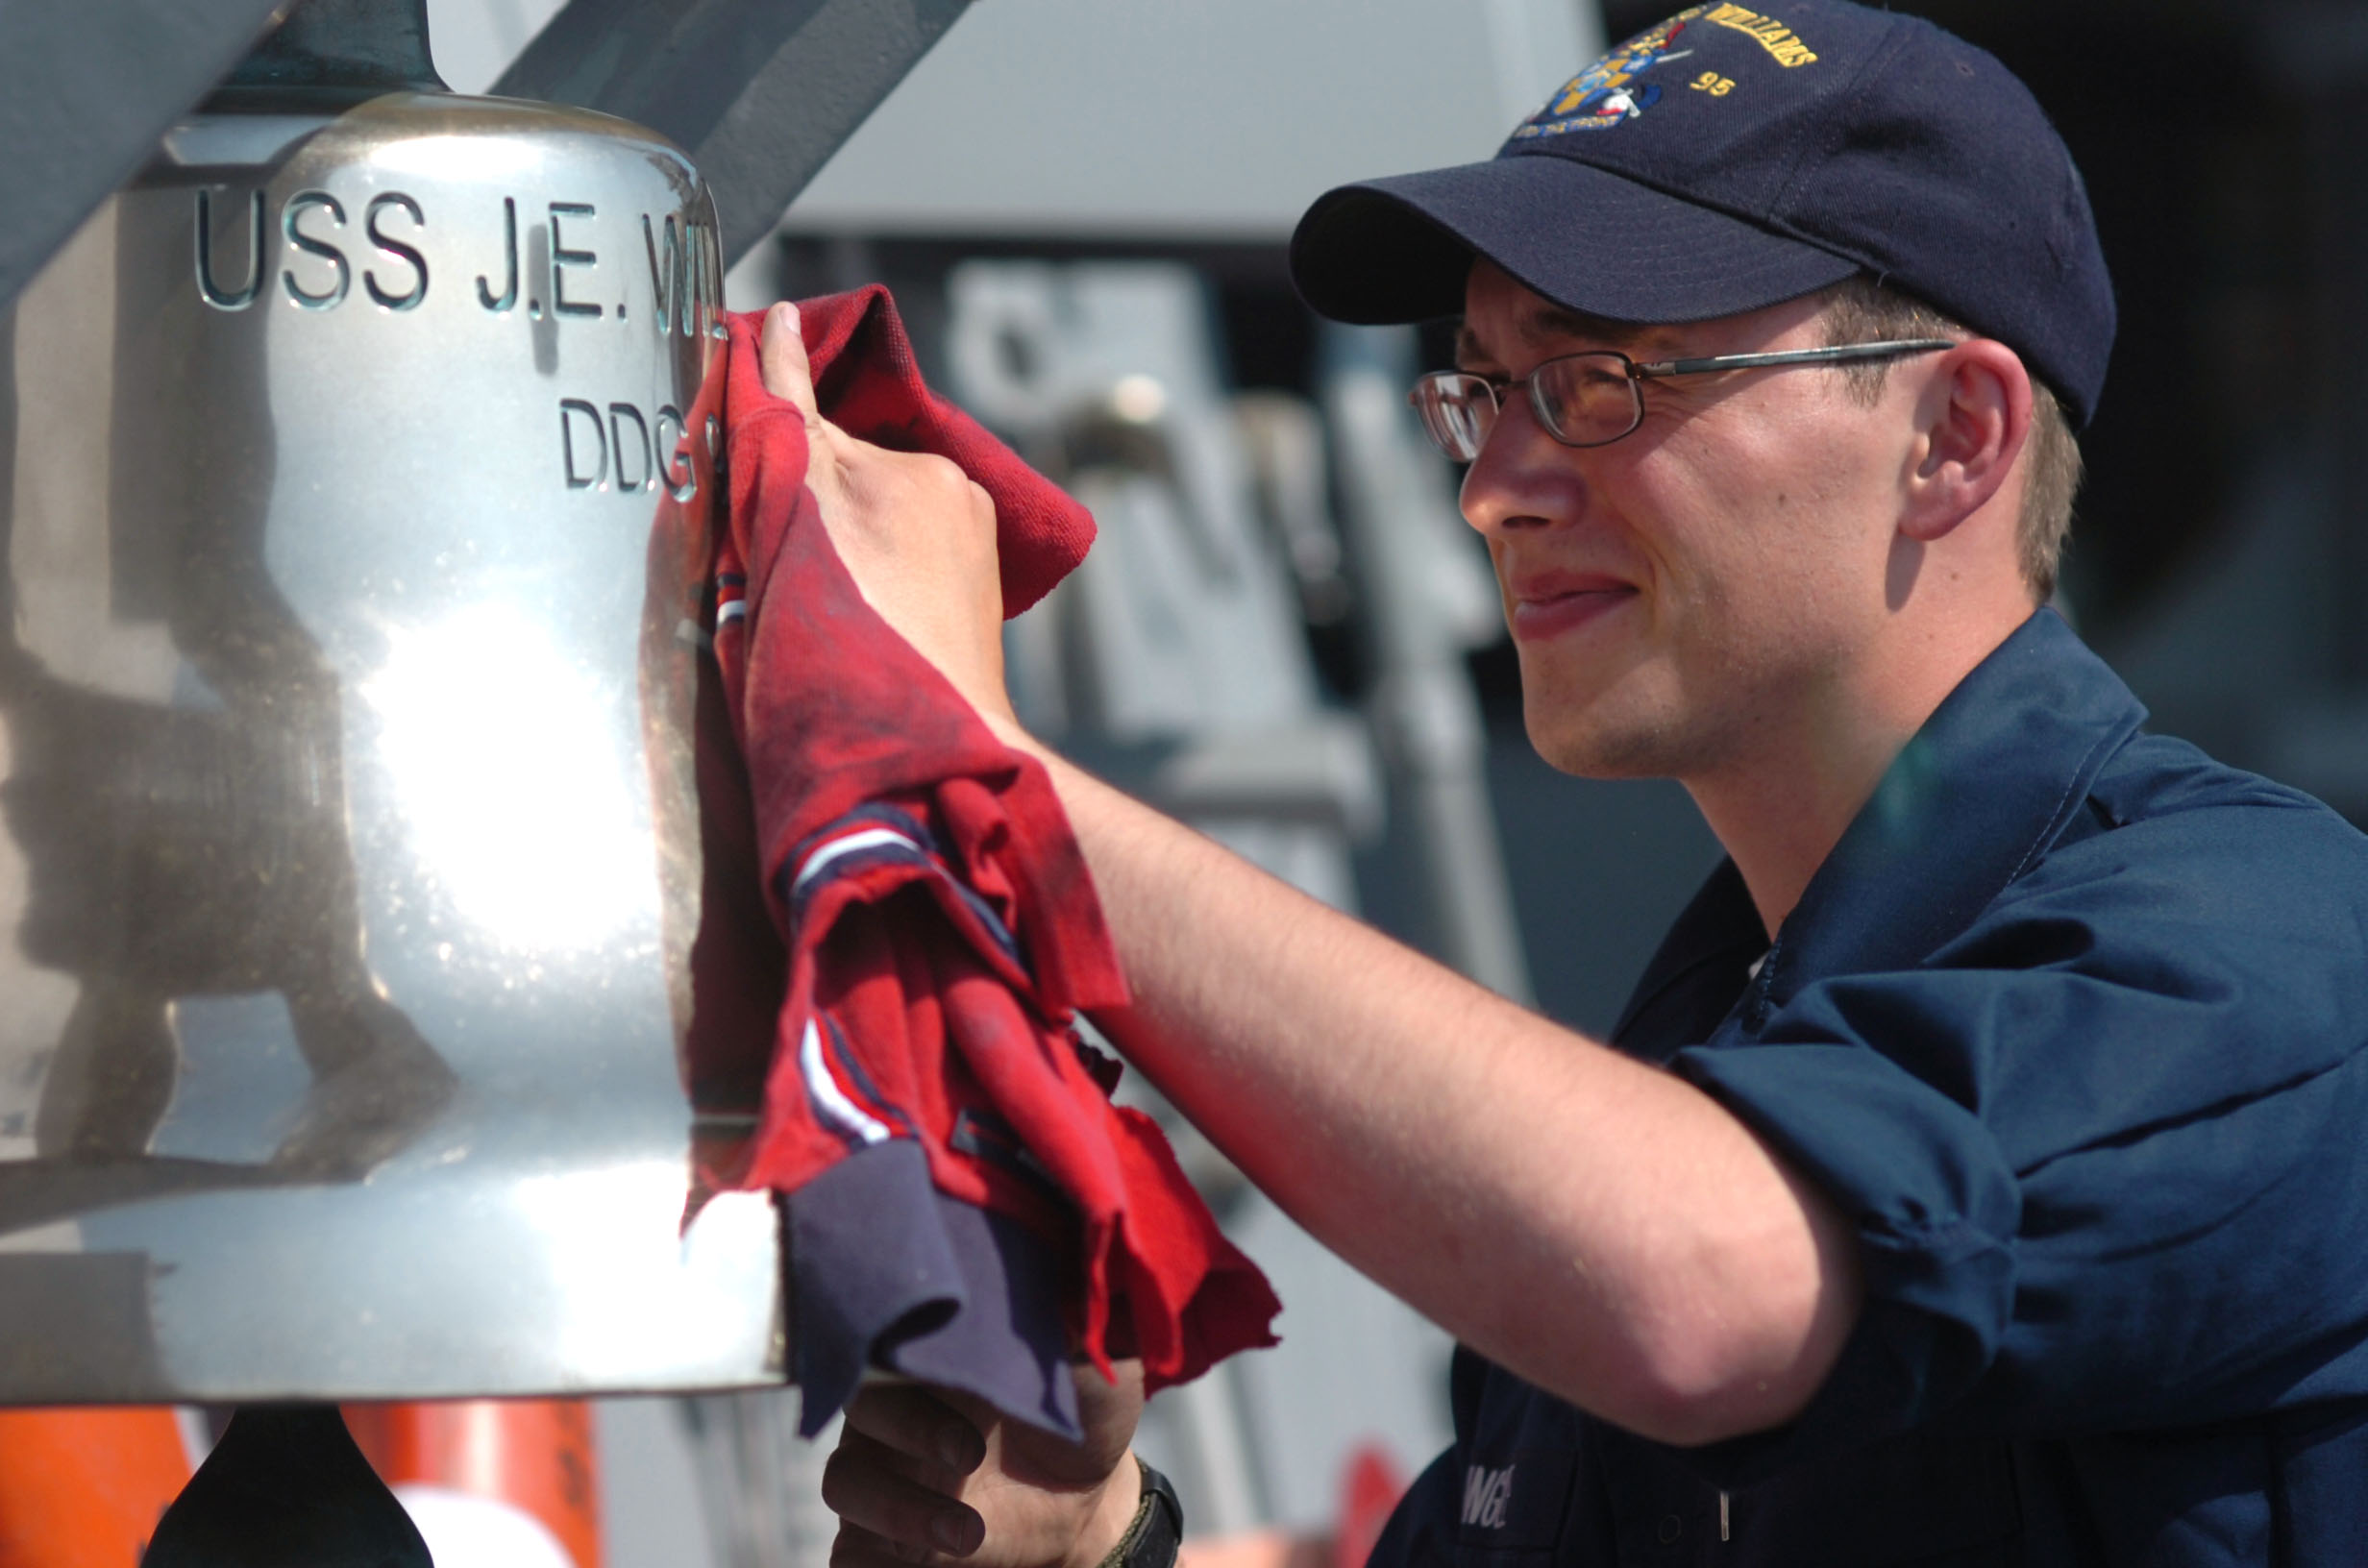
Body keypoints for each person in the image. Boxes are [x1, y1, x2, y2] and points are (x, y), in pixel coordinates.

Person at [767, 4, 2368, 1563]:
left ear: (1953, 434)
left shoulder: (2273, 956)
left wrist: (976, 777)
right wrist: (1100, 1546)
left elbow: (1711, 1293)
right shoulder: (1679, 1087)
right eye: (1478, 392)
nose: (1493, 490)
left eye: (1603, 383)